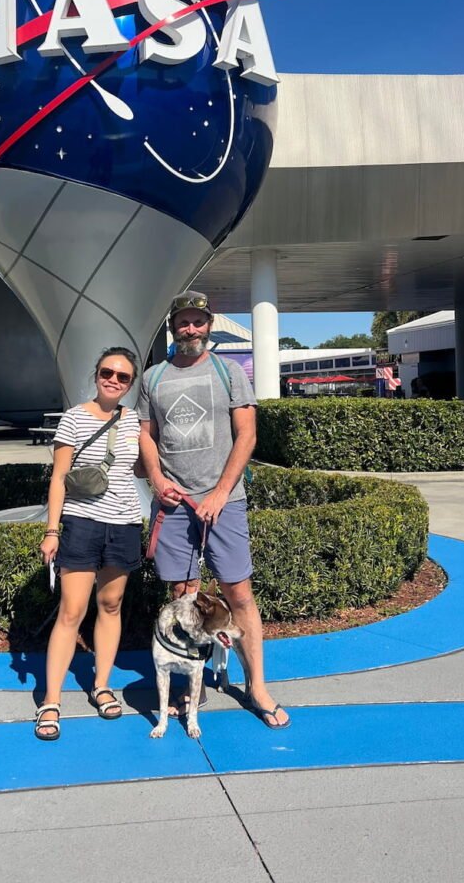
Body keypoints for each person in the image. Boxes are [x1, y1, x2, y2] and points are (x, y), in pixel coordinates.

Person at [137, 291, 290, 729]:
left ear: (208, 324)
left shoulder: (228, 372)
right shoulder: (153, 378)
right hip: (175, 505)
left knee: (238, 593)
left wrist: (222, 491)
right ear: (173, 326)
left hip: (225, 503)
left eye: (198, 322)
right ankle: (192, 684)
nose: (191, 329)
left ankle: (257, 685)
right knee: (184, 595)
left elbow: (247, 435)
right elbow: (147, 437)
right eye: (184, 322)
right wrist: (158, 480)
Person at [35, 347, 143, 741]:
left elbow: (149, 466)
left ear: (131, 384)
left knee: (110, 605)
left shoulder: (134, 422)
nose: (113, 380)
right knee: (72, 611)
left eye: (123, 376)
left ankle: (101, 685)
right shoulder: (74, 418)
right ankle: (51, 700)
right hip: (82, 523)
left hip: (125, 523)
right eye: (107, 372)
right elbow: (59, 477)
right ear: (96, 374)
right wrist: (51, 530)